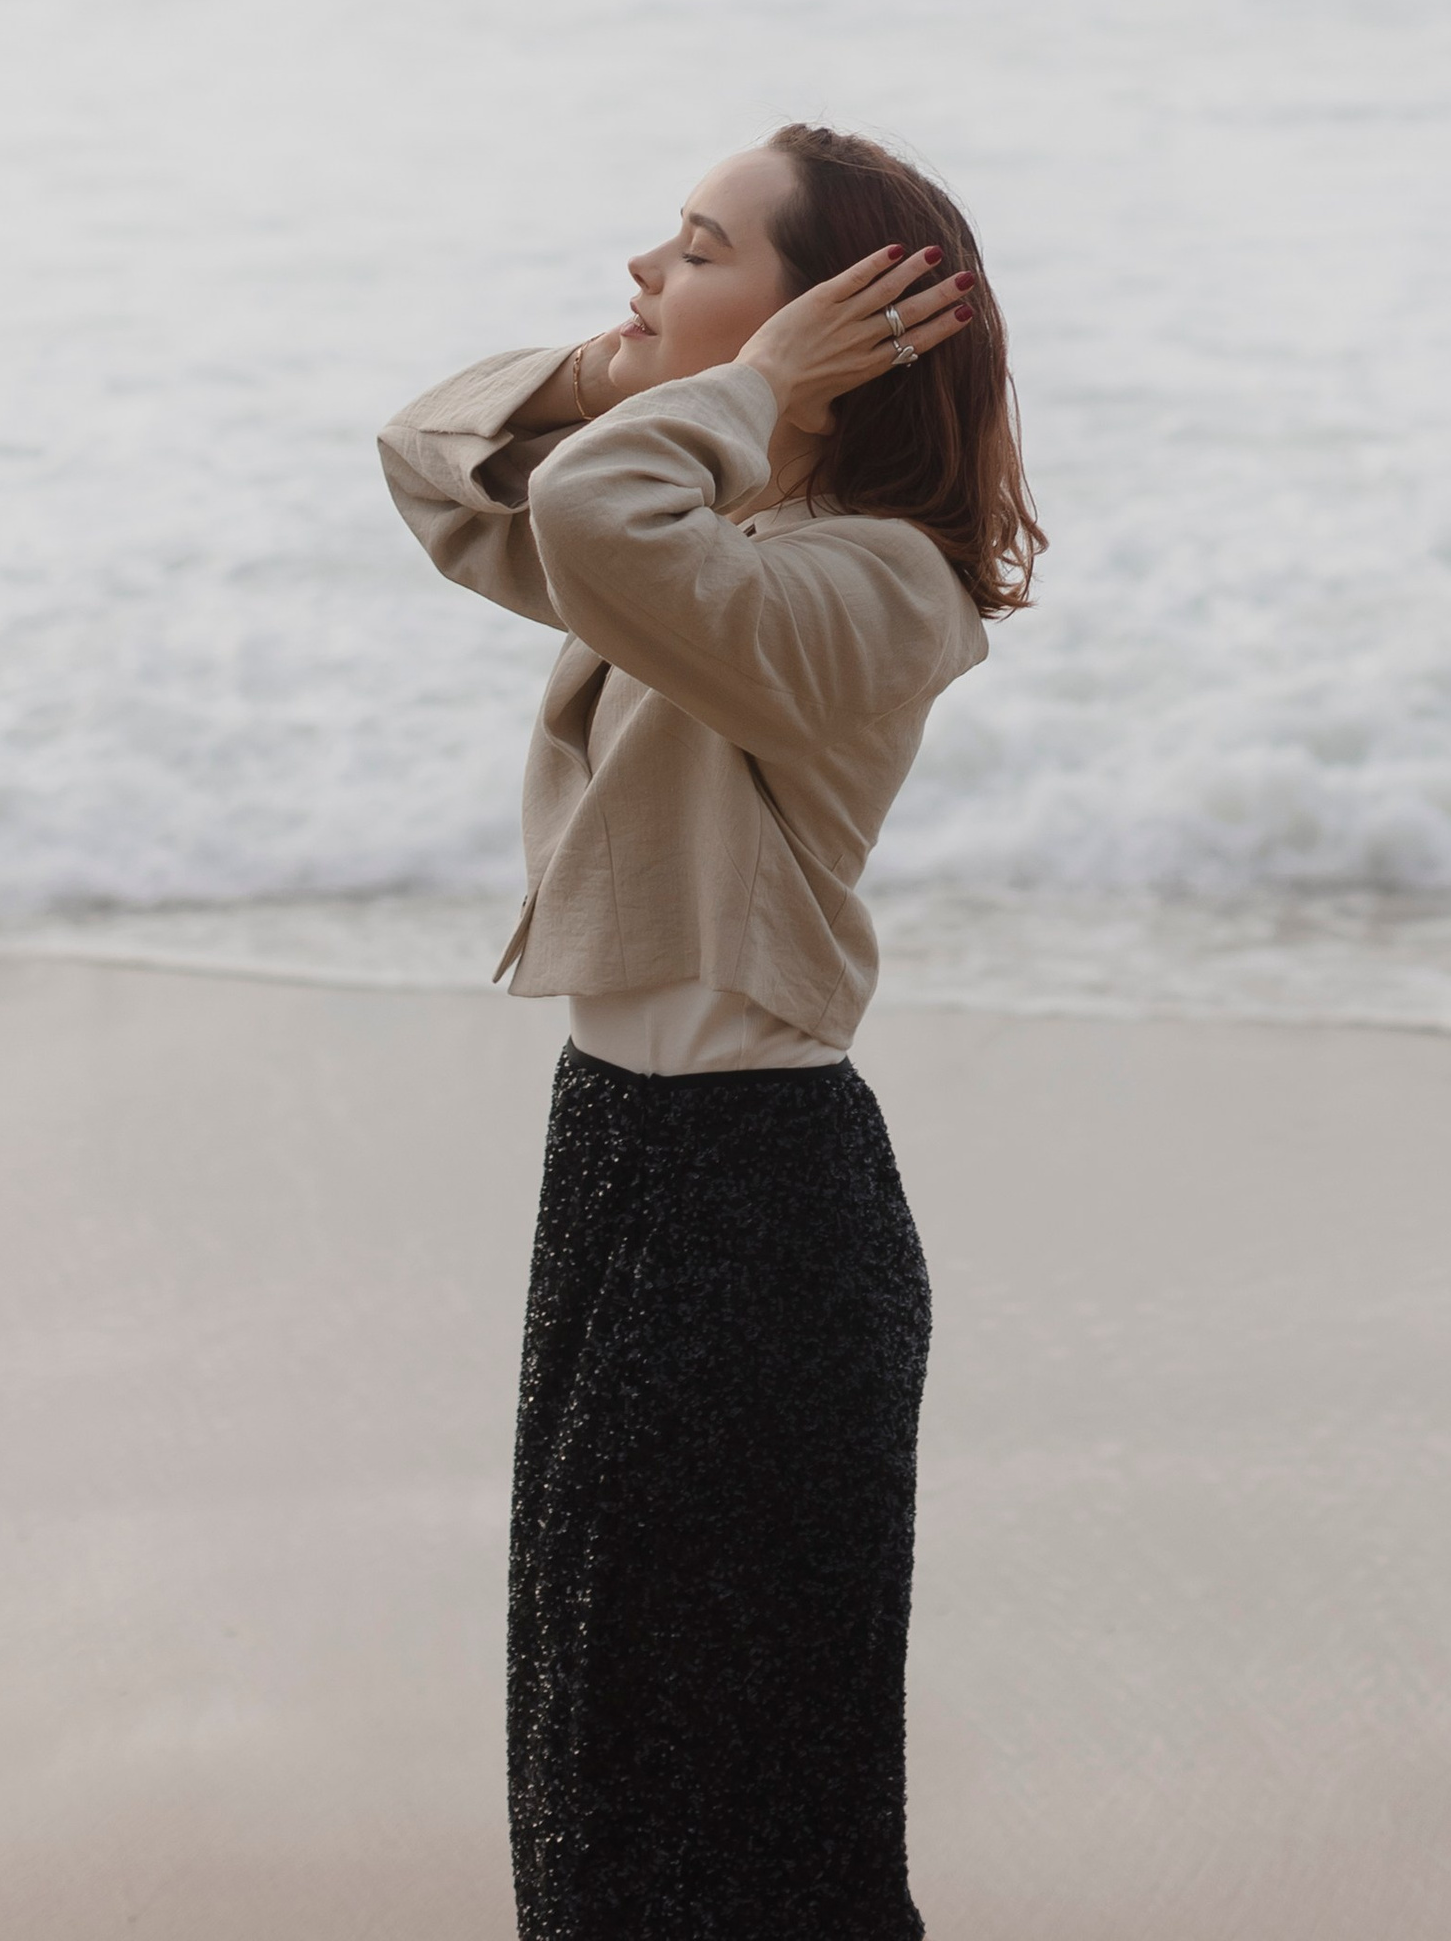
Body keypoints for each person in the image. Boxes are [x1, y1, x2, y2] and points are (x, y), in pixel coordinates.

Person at [378, 119, 1045, 1941]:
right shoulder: (722, 531)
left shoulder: (874, 588)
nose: (641, 273)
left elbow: (594, 510)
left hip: (762, 1213)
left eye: (694, 246)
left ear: (826, 326)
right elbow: (440, 465)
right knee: (596, 1767)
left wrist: (732, 385)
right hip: (627, 1164)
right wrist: (648, 367)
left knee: (719, 1816)